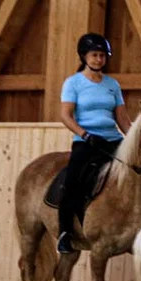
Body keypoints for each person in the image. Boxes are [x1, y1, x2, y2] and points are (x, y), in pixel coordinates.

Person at [55, 33, 130, 256]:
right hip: (86, 141)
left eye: (102, 56)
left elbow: (123, 119)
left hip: (112, 139)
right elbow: (66, 115)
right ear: (84, 57)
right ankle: (65, 232)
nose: (99, 59)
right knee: (73, 180)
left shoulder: (112, 85)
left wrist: (133, 142)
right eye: (94, 55)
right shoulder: (73, 83)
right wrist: (85, 134)